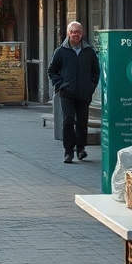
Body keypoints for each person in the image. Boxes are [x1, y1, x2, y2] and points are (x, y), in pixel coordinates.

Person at [47, 20, 100, 164]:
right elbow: (52, 70)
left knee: (82, 123)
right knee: (68, 121)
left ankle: (81, 149)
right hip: (67, 94)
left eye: (78, 31)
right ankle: (68, 151)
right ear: (68, 33)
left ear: (82, 34)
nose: (75, 34)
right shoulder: (61, 51)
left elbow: (96, 71)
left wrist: (91, 86)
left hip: (84, 94)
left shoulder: (88, 51)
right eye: (73, 31)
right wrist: (60, 85)